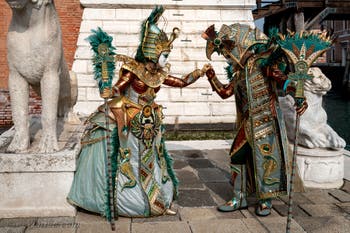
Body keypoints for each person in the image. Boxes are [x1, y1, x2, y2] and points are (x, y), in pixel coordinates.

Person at [67, 6, 211, 219]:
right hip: (127, 118)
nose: (166, 56)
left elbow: (180, 82)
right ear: (153, 52)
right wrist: (109, 90)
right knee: (130, 159)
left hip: (150, 121)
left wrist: (200, 72)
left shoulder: (159, 73)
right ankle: (133, 200)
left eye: (167, 53)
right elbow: (118, 89)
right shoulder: (132, 70)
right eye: (164, 53)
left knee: (154, 158)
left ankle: (157, 199)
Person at [201, 24, 307, 216]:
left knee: (266, 159)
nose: (227, 56)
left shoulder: (262, 63)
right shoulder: (239, 73)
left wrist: (298, 95)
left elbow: (282, 79)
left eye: (227, 52)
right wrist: (211, 78)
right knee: (237, 154)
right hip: (249, 122)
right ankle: (239, 197)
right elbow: (225, 92)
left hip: (267, 120)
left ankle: (265, 199)